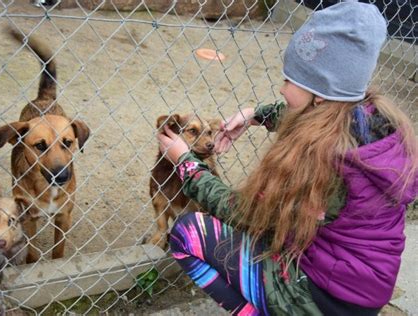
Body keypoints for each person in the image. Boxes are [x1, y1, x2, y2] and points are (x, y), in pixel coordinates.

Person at [156, 1, 418, 315]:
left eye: (290, 80)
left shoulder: (318, 159)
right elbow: (312, 117)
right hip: (363, 291)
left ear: (320, 93)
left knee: (188, 231)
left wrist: (187, 164)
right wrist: (256, 115)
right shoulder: (375, 121)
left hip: (324, 297)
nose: (281, 88)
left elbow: (244, 213)